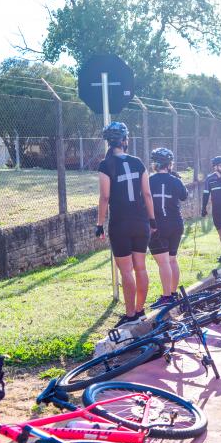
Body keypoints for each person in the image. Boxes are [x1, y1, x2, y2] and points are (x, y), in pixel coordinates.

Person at [95, 122, 156, 326]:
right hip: (141, 222)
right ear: (124, 140)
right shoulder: (138, 162)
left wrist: (99, 224)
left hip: (120, 224)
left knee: (126, 271)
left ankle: (130, 314)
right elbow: (147, 193)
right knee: (141, 267)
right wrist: (152, 220)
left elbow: (104, 197)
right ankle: (140, 310)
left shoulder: (106, 165)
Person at [147, 148, 188, 307]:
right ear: (170, 164)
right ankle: (172, 292)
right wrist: (177, 179)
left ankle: (166, 297)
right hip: (176, 224)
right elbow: (184, 196)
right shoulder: (175, 180)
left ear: (155, 164)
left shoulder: (149, 180)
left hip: (158, 226)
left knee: (164, 262)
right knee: (171, 260)